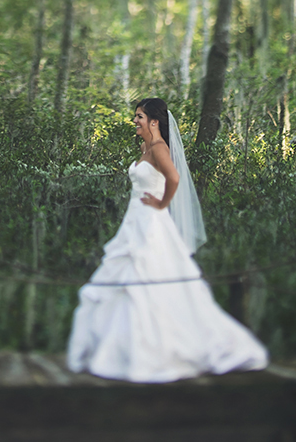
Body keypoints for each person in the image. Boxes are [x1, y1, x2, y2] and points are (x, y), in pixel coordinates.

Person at [66, 97, 268, 382]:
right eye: (135, 116)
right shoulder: (145, 147)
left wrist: (162, 205)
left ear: (154, 121)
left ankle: (153, 350)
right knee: (124, 281)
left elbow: (173, 178)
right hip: (134, 220)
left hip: (150, 224)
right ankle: (119, 352)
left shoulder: (160, 148)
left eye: (139, 116)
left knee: (146, 280)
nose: (135, 121)